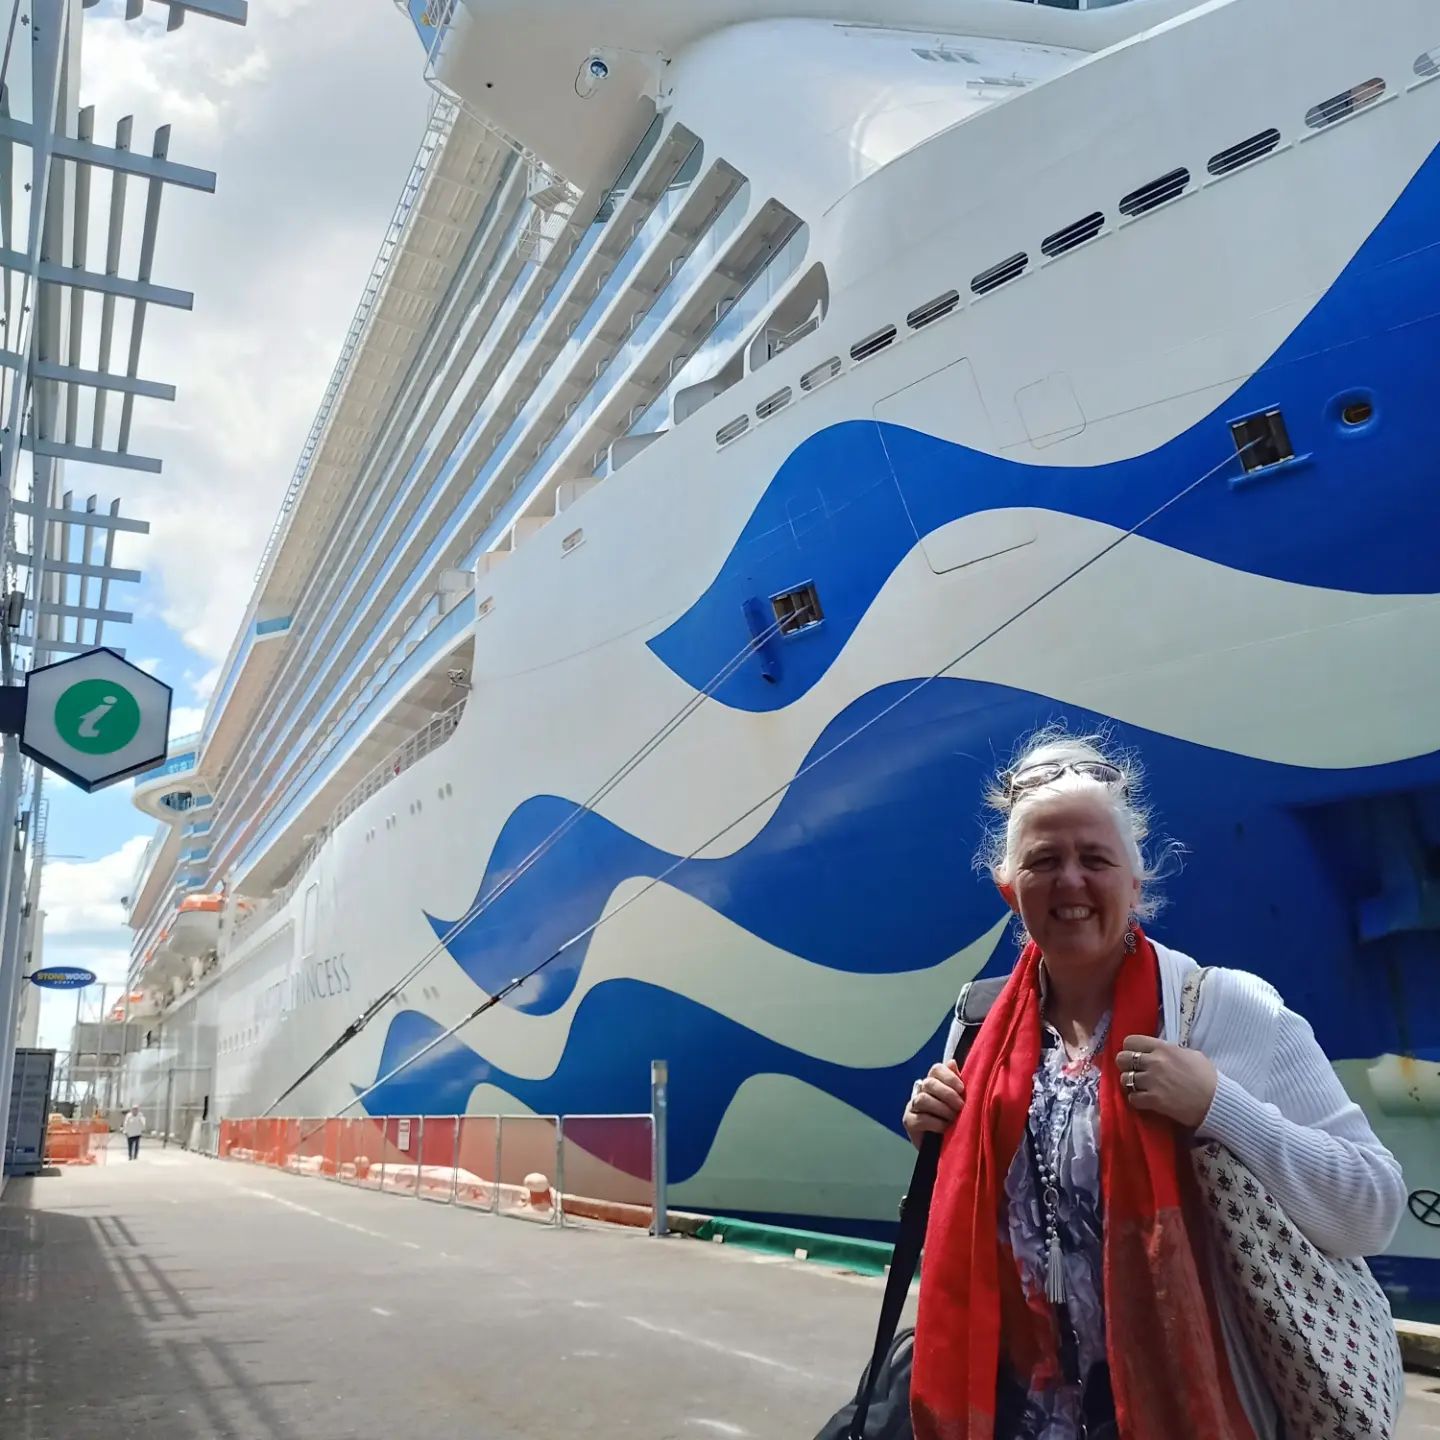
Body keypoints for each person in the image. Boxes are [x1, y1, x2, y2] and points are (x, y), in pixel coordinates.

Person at [901, 731, 1405, 1440]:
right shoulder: (978, 1030)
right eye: (1044, 861)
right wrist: (933, 1138)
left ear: (1136, 882)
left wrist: (1219, 1107)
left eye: (1095, 859)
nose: (1070, 882)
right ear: (1010, 889)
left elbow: (1374, 1208)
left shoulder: (1228, 1011)